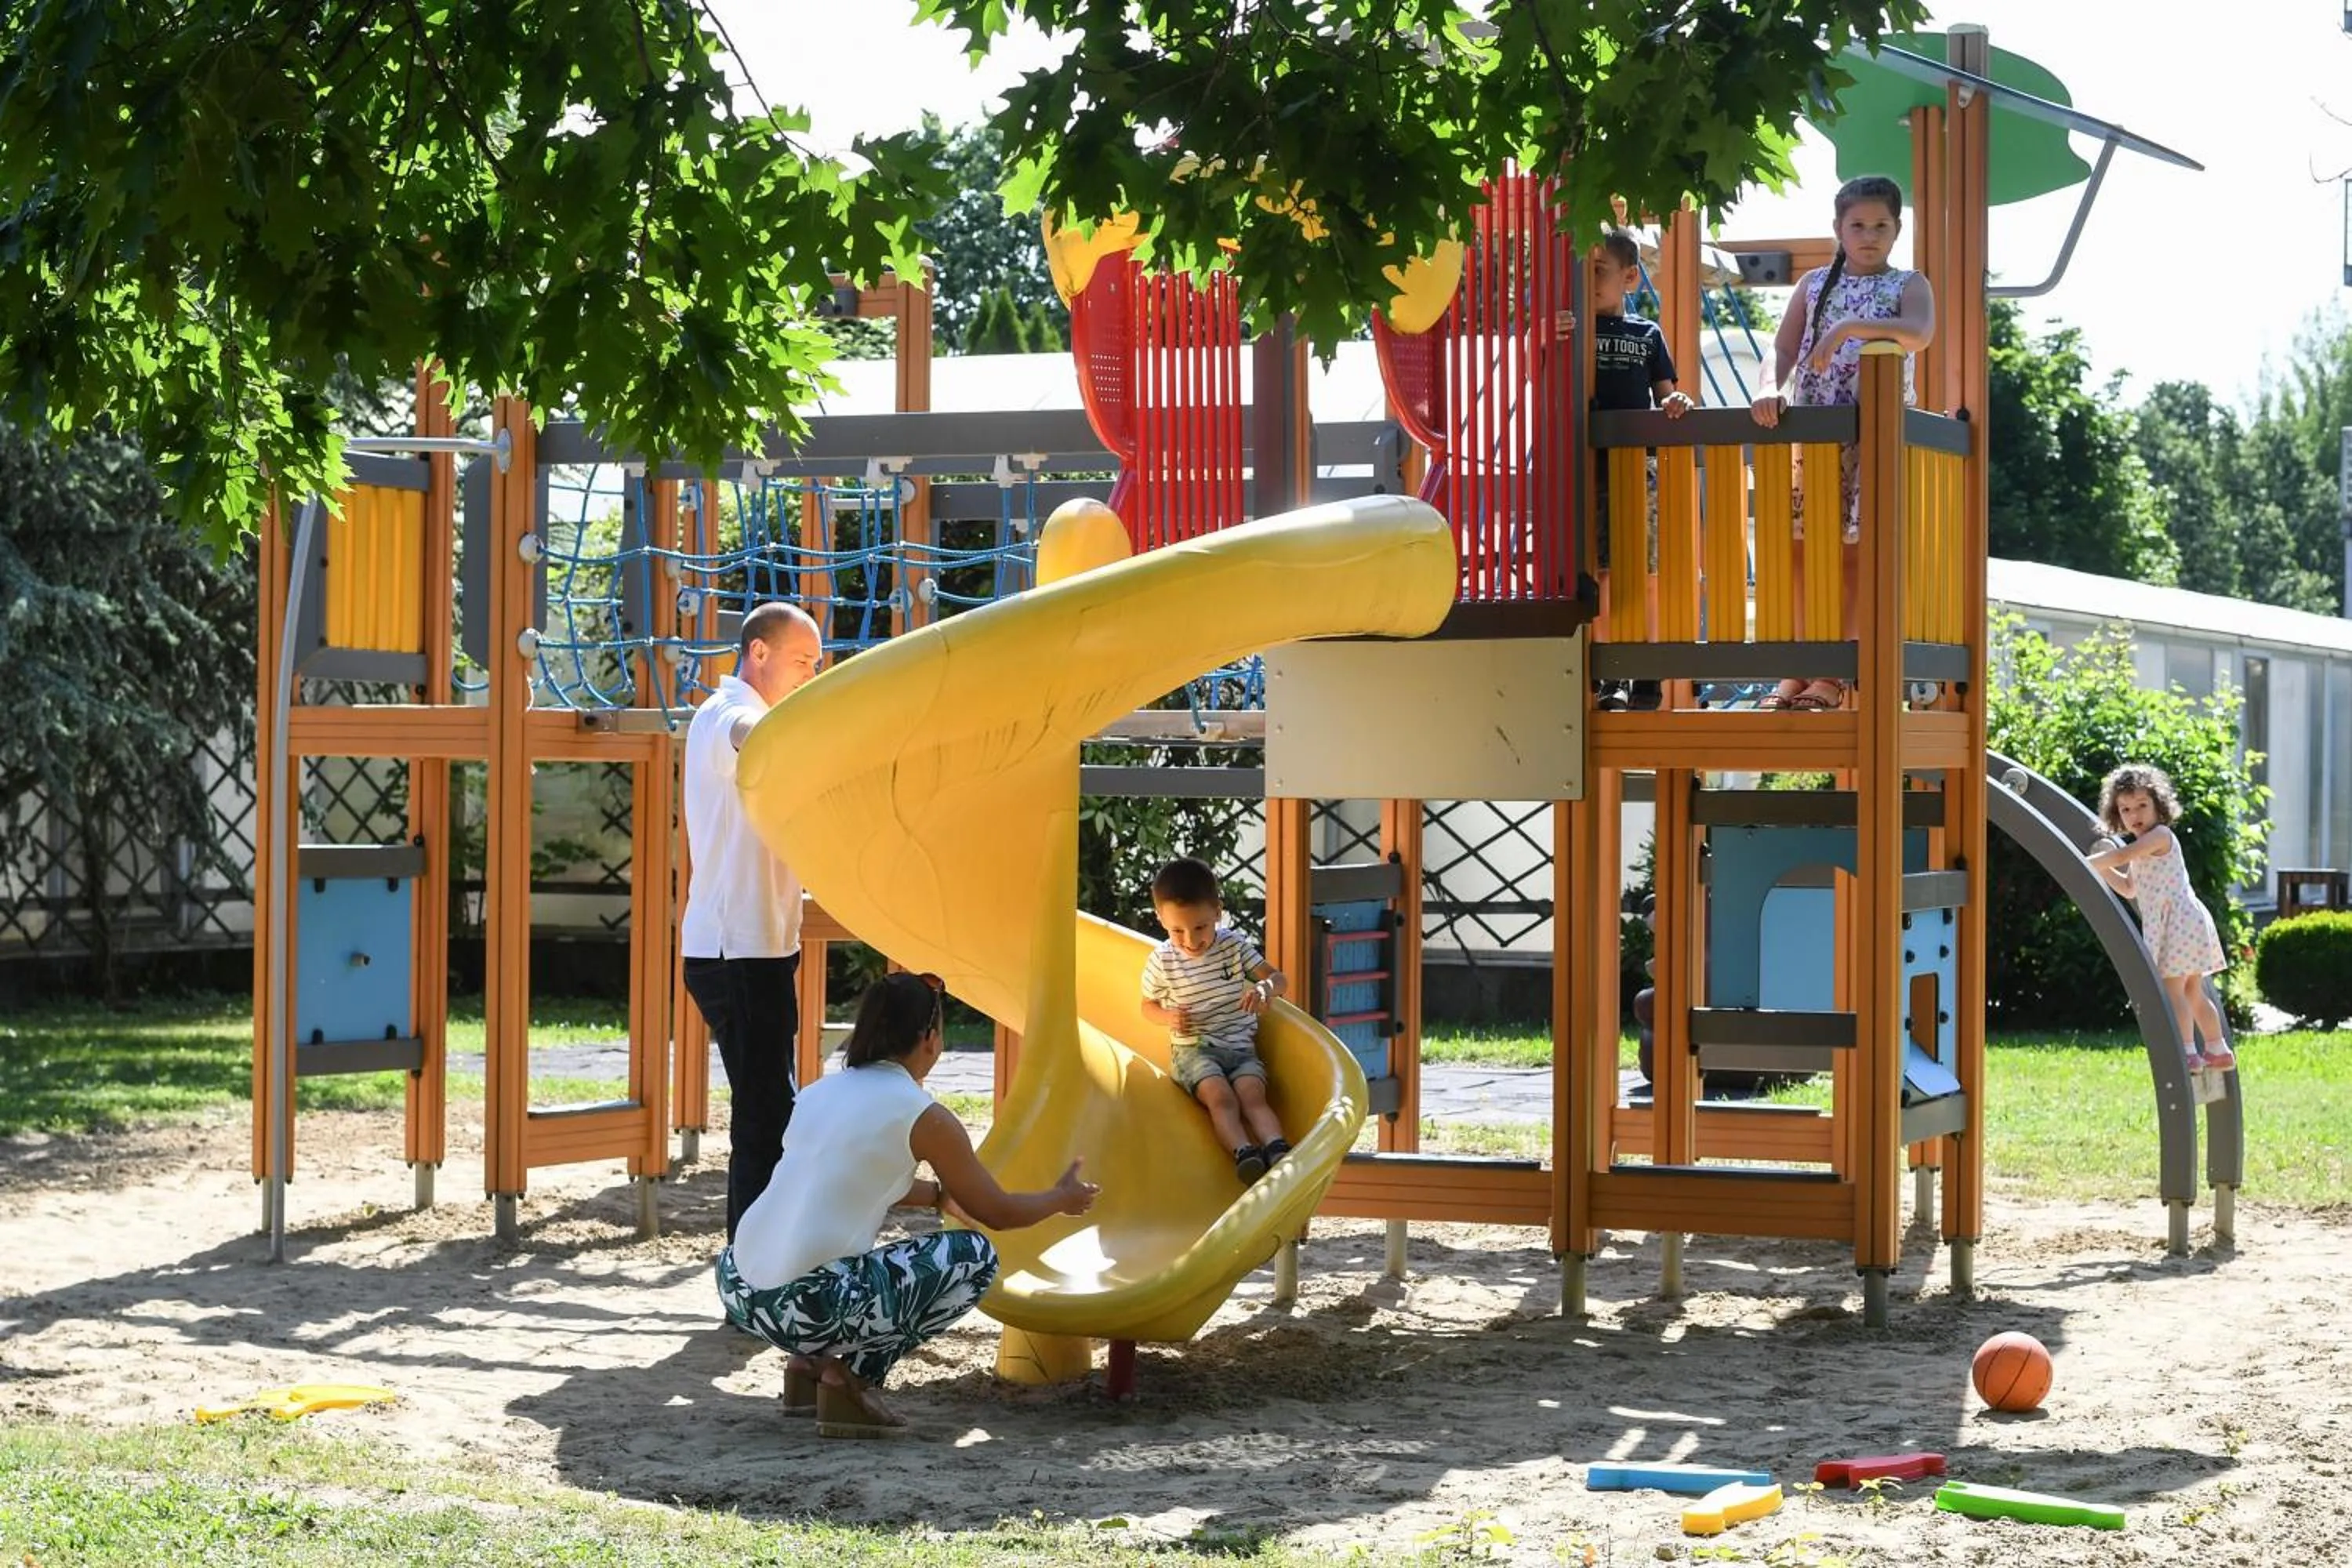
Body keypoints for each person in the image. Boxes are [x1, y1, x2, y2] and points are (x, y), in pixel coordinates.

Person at [717, 972, 1099, 1439]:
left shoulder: (818, 1093)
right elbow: (996, 1212)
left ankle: (806, 1367)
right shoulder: (923, 1114)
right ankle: (851, 1378)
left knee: (826, 1257)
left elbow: (853, 1179)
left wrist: (938, 1195)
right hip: (804, 1307)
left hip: (740, 1286)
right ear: (931, 1039)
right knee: (974, 1259)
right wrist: (1061, 1198)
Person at [1749, 175, 1937, 711]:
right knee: (1802, 551)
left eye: (1881, 225)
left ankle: (1833, 672)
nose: (1869, 235)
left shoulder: (1908, 285)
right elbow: (1782, 349)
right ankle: (1798, 668)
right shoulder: (1813, 285)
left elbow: (1918, 333)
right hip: (1816, 435)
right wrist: (1769, 388)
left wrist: (1849, 328)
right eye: (1858, 225)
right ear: (1838, 229)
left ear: (1898, 230)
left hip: (1869, 438)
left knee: (1853, 553)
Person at [681, 601, 825, 1243]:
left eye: (817, 665)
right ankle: (752, 1268)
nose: (809, 675)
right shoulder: (726, 715)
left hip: (759, 947)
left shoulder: (769, 724)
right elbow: (744, 732)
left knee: (770, 1110)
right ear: (758, 653)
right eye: (802, 662)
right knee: (766, 1116)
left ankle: (757, 1261)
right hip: (734, 949)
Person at [1585, 225, 1697, 714]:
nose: (1587, 280)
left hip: (1638, 467)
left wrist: (1675, 400)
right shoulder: (1574, 329)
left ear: (1629, 278)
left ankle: (1646, 667)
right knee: (1603, 572)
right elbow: (1538, 377)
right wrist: (1550, 339)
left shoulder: (1646, 333)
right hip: (1589, 468)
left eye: (1598, 271)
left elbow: (1665, 392)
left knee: (1646, 570)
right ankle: (1609, 672)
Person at [1139, 856, 1291, 1183]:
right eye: (1177, 930)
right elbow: (1146, 1006)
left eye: (1200, 927)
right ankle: (1244, 1152)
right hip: (1194, 1051)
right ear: (1160, 918)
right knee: (1220, 1096)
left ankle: (1278, 1151)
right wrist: (1168, 1016)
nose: (1191, 941)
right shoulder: (1162, 960)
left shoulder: (1233, 946)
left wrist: (1264, 989)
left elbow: (1279, 978)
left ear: (1217, 913)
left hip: (1240, 1048)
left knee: (1252, 1093)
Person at [2086, 763, 2236, 1073]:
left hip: (2178, 921)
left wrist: (2085, 861)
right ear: (2117, 813)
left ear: (2159, 806)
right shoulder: (2142, 848)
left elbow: (2121, 855)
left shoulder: (2159, 836)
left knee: (2173, 989)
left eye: (2142, 805)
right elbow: (2129, 888)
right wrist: (2101, 870)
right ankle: (2217, 1049)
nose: (2134, 814)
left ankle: (2188, 1053)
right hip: (2183, 922)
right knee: (2192, 991)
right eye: (2125, 809)